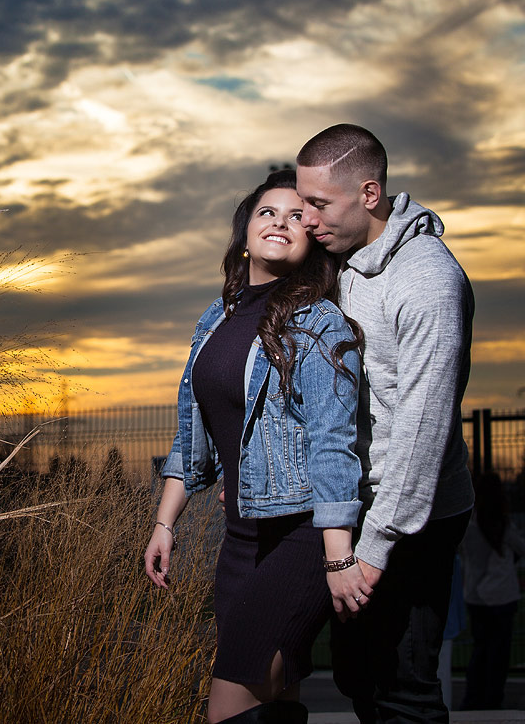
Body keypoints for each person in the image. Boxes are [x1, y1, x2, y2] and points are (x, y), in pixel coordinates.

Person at [144, 170, 370, 724]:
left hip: (300, 534)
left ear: (310, 243)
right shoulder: (215, 319)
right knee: (276, 692)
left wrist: (337, 555)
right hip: (240, 538)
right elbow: (193, 431)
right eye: (269, 211)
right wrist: (165, 522)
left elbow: (332, 444)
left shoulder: (321, 325)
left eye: (298, 217)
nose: (282, 223)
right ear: (245, 232)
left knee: (233, 696)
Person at [295, 124, 475, 724]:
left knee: (404, 696)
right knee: (356, 676)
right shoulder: (340, 262)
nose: (308, 219)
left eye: (319, 204)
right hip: (360, 503)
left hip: (412, 518)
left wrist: (372, 552)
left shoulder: (426, 281)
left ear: (369, 194)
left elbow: (425, 432)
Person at [460, 471, 525, 710]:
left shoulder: (470, 523)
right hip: (503, 595)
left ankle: (473, 698)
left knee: (480, 650)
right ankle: (493, 698)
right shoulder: (504, 524)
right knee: (499, 654)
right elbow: (521, 547)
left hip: (476, 595)